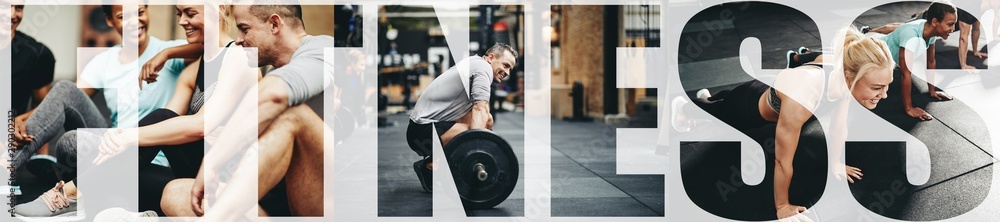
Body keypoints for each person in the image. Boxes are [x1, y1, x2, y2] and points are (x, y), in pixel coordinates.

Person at [671, 27, 895, 220]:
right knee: (718, 111)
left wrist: (836, 162)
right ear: (849, 77)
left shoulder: (846, 69)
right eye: (877, 88)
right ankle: (683, 107)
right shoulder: (804, 97)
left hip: (764, 90)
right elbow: (781, 161)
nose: (884, 95)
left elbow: (838, 127)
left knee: (726, 97)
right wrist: (782, 206)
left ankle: (707, 98)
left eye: (887, 86)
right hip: (749, 111)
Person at [10, 4, 193, 218]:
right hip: (110, 147)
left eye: (140, 13)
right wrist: (17, 120)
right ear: (109, 20)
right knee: (66, 98)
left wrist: (166, 54)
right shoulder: (104, 60)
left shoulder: (172, 53)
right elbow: (59, 101)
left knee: (75, 146)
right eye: (124, 17)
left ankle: (81, 194)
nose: (135, 22)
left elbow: (210, 47)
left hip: (152, 157)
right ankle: (6, 166)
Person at [153, 3, 334, 219]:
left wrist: (213, 161)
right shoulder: (274, 70)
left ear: (275, 24)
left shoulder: (322, 49)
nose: (238, 39)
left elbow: (273, 95)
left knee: (293, 115)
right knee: (175, 193)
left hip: (316, 200)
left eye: (244, 29)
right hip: (276, 202)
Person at [405, 43, 518, 192]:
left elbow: (482, 113)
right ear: (491, 57)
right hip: (422, 134)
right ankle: (431, 166)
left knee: (487, 120)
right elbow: (480, 107)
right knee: (481, 124)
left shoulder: (475, 62)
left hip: (422, 129)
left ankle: (437, 162)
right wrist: (478, 151)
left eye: (510, 68)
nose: (507, 72)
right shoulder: (483, 68)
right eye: (505, 65)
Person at [866, 2, 958, 121]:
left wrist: (932, 90)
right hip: (870, 52)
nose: (953, 29)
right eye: (950, 24)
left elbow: (930, 61)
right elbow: (905, 73)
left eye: (954, 24)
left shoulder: (932, 32)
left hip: (885, 55)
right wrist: (909, 108)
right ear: (935, 22)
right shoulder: (911, 35)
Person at [864, 4, 986, 71]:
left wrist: (975, 51)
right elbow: (963, 38)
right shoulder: (970, 8)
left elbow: (976, 29)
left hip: (940, 15)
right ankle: (869, 30)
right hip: (930, 16)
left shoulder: (979, 9)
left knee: (903, 27)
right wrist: (963, 65)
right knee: (902, 27)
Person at [7, 2, 57, 162]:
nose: (12, 14)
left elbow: (42, 108)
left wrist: (42, 158)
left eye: (19, 7)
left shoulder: (38, 55)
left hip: (12, 138)